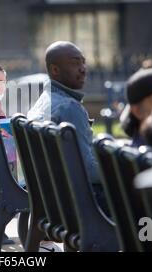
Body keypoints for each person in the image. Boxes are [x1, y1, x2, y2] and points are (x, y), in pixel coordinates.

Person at [27, 41, 101, 252]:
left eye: (84, 62)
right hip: (75, 211)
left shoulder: (44, 102)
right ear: (55, 70)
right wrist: (123, 173)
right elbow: (87, 171)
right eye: (75, 63)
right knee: (145, 205)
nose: (83, 68)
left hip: (52, 206)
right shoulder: (69, 108)